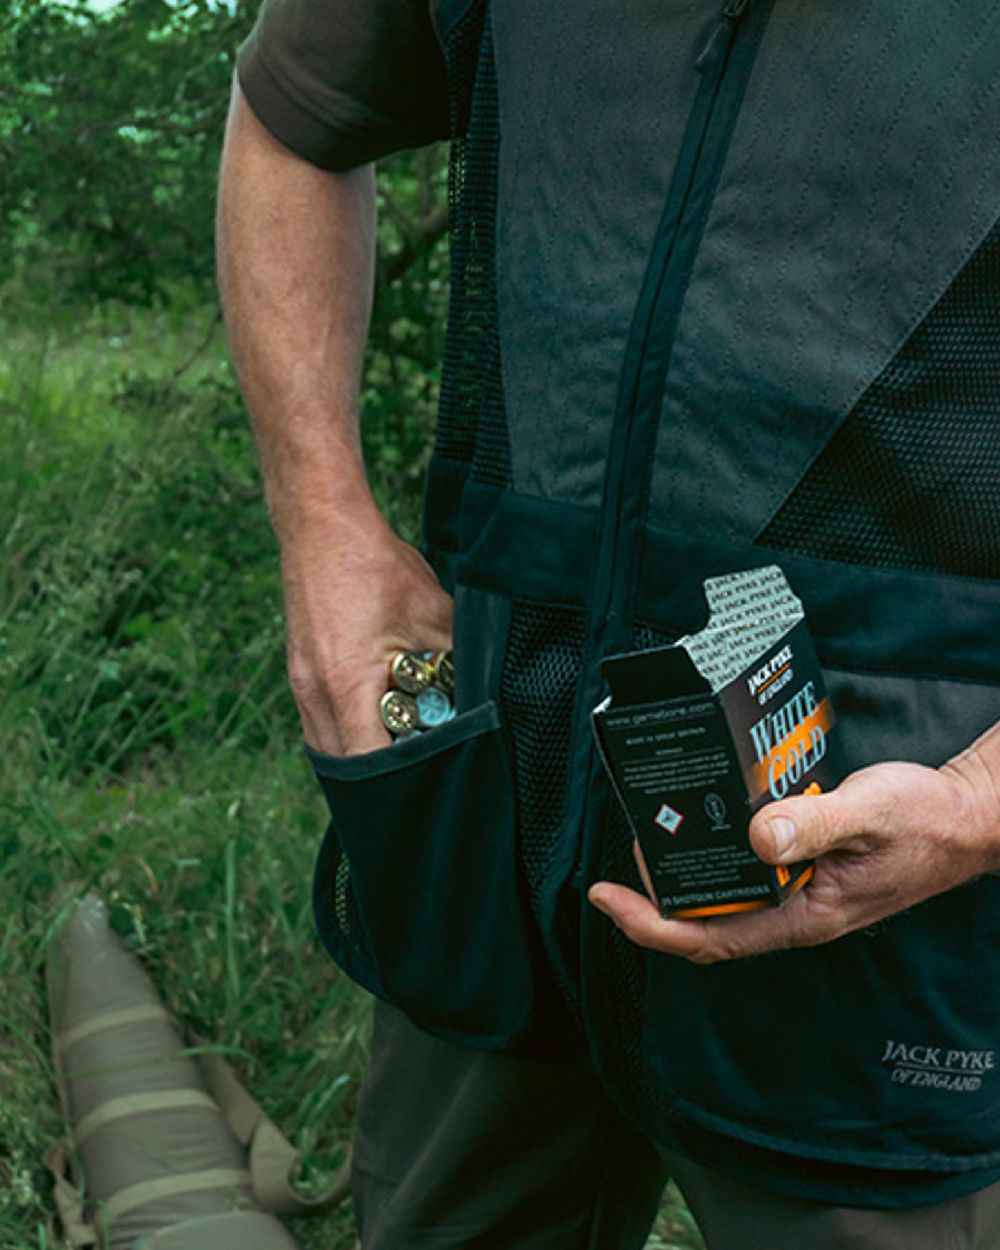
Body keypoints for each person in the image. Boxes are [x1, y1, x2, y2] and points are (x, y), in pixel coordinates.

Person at [216, 1, 1000, 1245]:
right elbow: (292, 124)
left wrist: (978, 805)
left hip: (886, 867)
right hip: (492, 794)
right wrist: (324, 530)